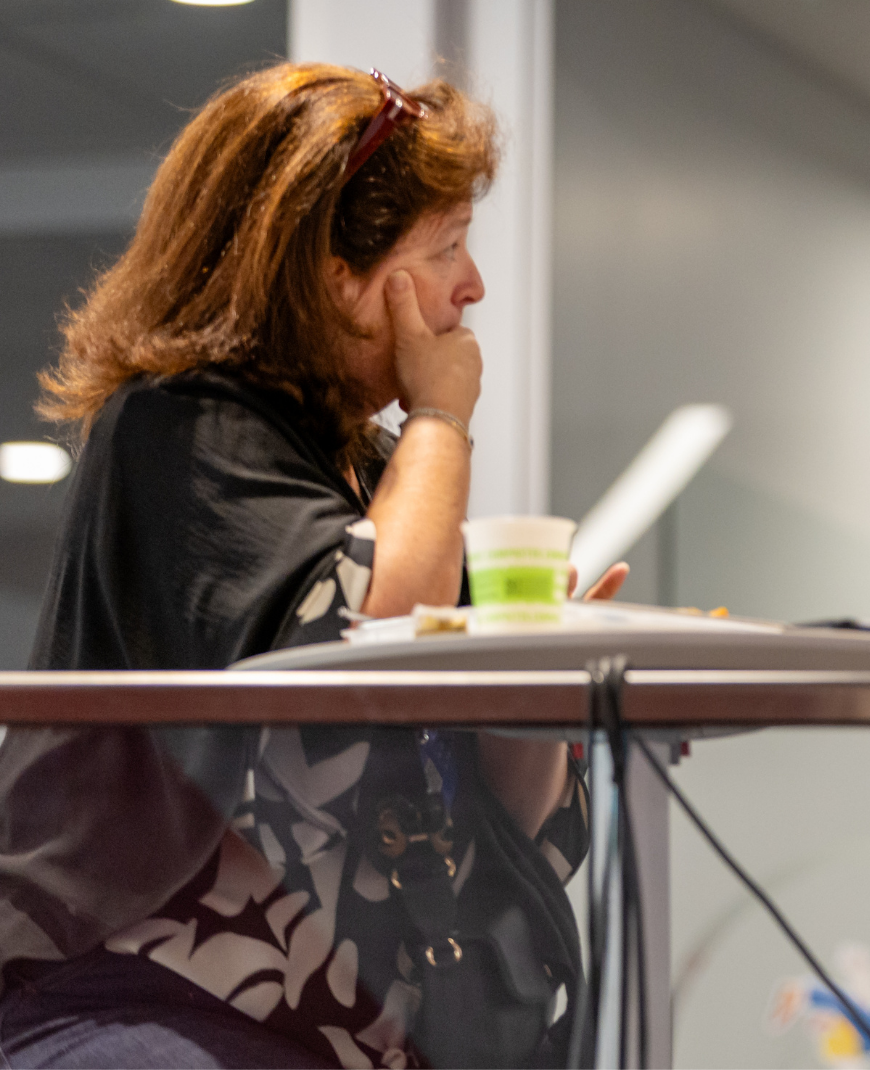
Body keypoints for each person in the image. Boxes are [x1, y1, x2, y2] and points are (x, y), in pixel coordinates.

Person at [0, 63, 626, 1069]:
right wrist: (440, 415)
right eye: (446, 247)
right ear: (336, 272)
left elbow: (503, 815)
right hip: (137, 1001)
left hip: (340, 1033)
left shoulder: (371, 471)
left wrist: (536, 677)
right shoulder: (178, 427)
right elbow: (361, 653)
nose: (473, 285)